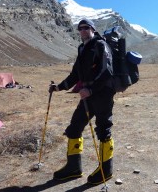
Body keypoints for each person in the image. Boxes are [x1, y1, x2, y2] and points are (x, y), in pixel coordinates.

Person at [49, 19, 116, 185]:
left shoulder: (101, 45)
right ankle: (74, 168)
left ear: (93, 29)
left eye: (86, 28)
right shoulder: (82, 48)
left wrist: (91, 90)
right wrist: (59, 87)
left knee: (103, 130)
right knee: (74, 127)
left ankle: (105, 171)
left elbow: (107, 71)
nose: (83, 31)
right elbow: (75, 75)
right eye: (80, 28)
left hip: (102, 94)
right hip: (87, 95)